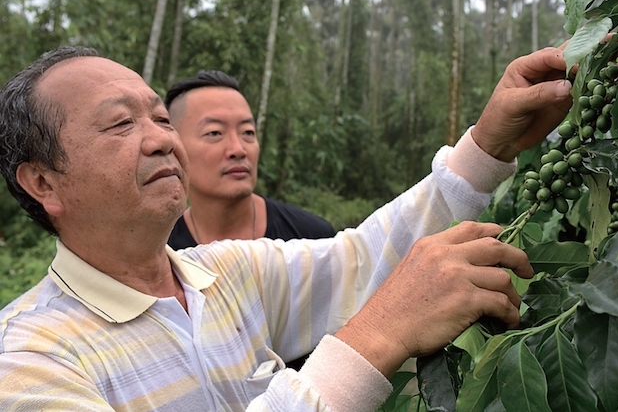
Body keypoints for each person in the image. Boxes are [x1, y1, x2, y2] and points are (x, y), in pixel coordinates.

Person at [0, 44, 572, 412]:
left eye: (160, 118)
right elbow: (378, 305)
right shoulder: (28, 359)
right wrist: (376, 336)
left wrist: (488, 145)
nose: (160, 139)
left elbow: (362, 260)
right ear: (43, 183)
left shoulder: (225, 272)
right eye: (122, 124)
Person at [163, 71, 336, 250]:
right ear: (175, 150)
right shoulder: (161, 253)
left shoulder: (312, 240)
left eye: (248, 132)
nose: (238, 149)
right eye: (214, 133)